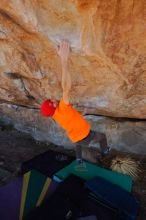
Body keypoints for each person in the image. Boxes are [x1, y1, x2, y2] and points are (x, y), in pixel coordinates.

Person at [41, 40, 110, 164]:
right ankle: (105, 152)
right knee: (102, 137)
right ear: (54, 106)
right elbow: (66, 87)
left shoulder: (58, 116)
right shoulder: (63, 107)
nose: (53, 99)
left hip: (78, 138)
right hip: (86, 135)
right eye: (51, 101)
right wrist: (64, 58)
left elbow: (72, 120)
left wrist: (83, 113)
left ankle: (88, 159)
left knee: (85, 149)